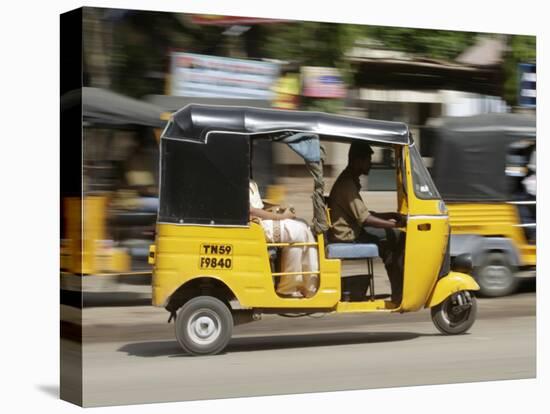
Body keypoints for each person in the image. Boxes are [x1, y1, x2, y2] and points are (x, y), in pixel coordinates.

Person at [328, 142, 406, 304]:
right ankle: (399, 292)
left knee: (392, 240)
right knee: (398, 237)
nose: (370, 164)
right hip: (348, 236)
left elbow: (364, 214)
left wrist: (391, 215)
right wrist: (395, 225)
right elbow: (365, 219)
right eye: (368, 160)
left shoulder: (350, 181)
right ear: (357, 161)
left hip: (353, 231)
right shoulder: (347, 184)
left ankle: (399, 289)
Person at [249, 179, 319, 298]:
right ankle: (289, 288)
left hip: (260, 222)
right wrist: (281, 216)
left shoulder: (251, 182)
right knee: (298, 231)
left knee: (303, 226)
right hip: (256, 226)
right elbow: (251, 210)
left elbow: (258, 205)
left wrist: (278, 208)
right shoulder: (238, 179)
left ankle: (306, 285)